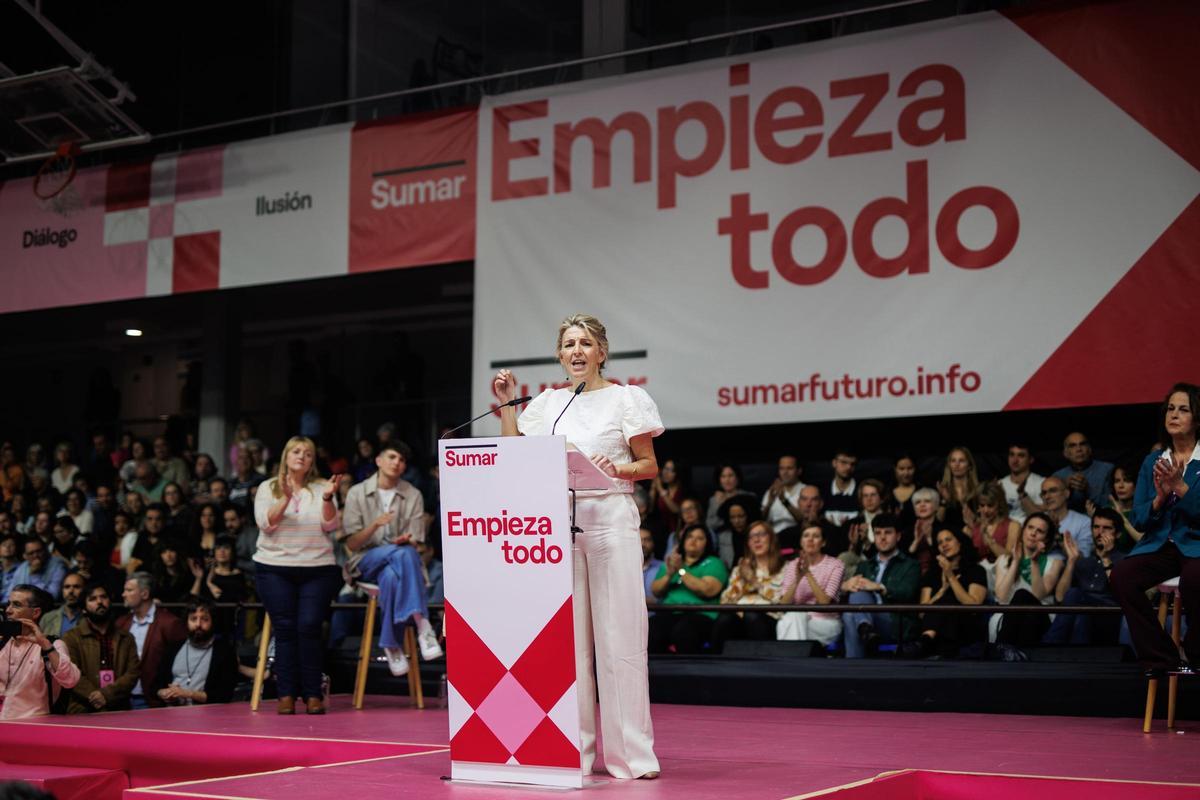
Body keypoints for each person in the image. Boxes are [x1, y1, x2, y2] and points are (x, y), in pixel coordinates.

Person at [493, 313, 662, 780]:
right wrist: (508, 405)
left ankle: (632, 758)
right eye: (569, 343)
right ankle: (575, 752)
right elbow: (517, 455)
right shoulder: (548, 403)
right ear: (559, 354)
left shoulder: (627, 398)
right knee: (569, 647)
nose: (576, 351)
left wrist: (617, 468)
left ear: (601, 352)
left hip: (611, 517)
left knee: (620, 640)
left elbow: (648, 465)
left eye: (586, 343)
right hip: (560, 522)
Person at [1112, 383, 1200, 676]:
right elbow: (1138, 519)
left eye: (1183, 409)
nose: (1174, 414)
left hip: (1196, 545)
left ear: (1197, 418)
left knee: (1194, 579)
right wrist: (1159, 501)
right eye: (1171, 408)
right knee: (1123, 576)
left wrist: (1182, 488)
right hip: (1162, 545)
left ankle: (1197, 651)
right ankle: (1162, 658)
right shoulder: (1154, 461)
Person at [253, 436, 343, 715]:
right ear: (286, 455)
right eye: (296, 451)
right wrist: (287, 497)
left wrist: (328, 498)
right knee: (285, 628)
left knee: (309, 626)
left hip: (317, 568)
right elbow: (266, 524)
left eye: (307, 452)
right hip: (274, 567)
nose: (302, 456)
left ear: (312, 460)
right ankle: (286, 694)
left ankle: (313, 694)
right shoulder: (268, 487)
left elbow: (330, 525)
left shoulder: (321, 487)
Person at [340, 441, 442, 678]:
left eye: (402, 460)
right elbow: (352, 544)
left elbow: (416, 542)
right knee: (403, 556)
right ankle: (422, 624)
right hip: (364, 561)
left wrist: (407, 540)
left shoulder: (412, 494)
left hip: (399, 564)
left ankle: (391, 644)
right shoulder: (357, 492)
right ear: (378, 460)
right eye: (393, 457)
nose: (398, 463)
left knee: (393, 574)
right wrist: (375, 524)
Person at [841, 514, 921, 658]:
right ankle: (866, 628)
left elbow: (907, 594)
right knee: (851, 607)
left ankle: (853, 669)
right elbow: (851, 596)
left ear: (898, 536)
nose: (882, 538)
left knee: (851, 615)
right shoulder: (865, 565)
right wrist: (845, 586)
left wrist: (880, 587)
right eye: (878, 533)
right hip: (868, 618)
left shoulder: (911, 565)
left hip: (895, 622)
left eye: (888, 533)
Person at [1044, 509, 1126, 645]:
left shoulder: (1125, 560)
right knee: (1078, 604)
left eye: (1106, 528)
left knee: (1078, 600)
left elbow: (1122, 594)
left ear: (1117, 534)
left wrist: (1106, 559)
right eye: (1096, 527)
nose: (1100, 532)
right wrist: (1071, 560)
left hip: (1109, 618)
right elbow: (1059, 597)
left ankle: (1048, 645)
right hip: (1082, 615)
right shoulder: (1084, 562)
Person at [0, 584, 80, 718]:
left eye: (16, 605)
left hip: (33, 727)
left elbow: (70, 680)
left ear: (35, 613)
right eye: (8, 604)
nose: (8, 610)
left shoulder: (52, 645)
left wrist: (44, 644)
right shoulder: (2, 642)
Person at [904, 529, 987, 658]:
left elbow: (974, 606)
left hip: (965, 628)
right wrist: (941, 590)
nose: (944, 544)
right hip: (938, 631)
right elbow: (921, 612)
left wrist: (950, 575)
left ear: (960, 543)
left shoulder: (976, 570)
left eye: (948, 539)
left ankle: (925, 641)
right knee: (944, 601)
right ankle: (930, 642)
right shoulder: (932, 574)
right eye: (940, 542)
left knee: (948, 602)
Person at [649, 524, 729, 653]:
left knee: (683, 631)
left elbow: (708, 590)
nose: (693, 541)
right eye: (690, 537)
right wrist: (669, 574)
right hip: (670, 612)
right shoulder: (671, 563)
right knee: (651, 628)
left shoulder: (714, 563)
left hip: (701, 614)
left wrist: (681, 570)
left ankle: (688, 672)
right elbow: (656, 591)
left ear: (707, 543)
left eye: (700, 538)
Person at [61, 583, 140, 713]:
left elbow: (133, 672)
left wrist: (106, 695)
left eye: (103, 597)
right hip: (83, 708)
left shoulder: (126, 637)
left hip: (119, 707)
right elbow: (70, 673)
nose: (99, 601)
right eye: (92, 599)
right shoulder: (71, 637)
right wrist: (95, 696)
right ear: (84, 609)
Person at [712, 521, 786, 650]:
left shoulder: (785, 568)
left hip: (769, 618)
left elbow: (780, 600)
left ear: (771, 539)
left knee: (751, 615)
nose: (757, 539)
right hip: (739, 620)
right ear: (748, 543)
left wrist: (753, 581)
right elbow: (724, 602)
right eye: (752, 536)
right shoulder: (740, 569)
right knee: (725, 619)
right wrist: (742, 581)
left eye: (762, 534)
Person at [117, 572, 187, 709]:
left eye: (129, 590)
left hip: (154, 701)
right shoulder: (122, 623)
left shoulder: (169, 623)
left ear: (144, 594)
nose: (123, 594)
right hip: (123, 700)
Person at [994, 513, 1063, 648]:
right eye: (1030, 528)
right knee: (1020, 598)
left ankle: (1003, 650)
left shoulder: (1054, 563)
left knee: (1022, 595)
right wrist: (1015, 562)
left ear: (1047, 539)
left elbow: (1038, 595)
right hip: (1008, 616)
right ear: (1023, 530)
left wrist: (1034, 563)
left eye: (1040, 531)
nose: (1033, 533)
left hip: (1039, 617)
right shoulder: (1003, 560)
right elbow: (1001, 596)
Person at [156, 599, 240, 705]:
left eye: (204, 619)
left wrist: (188, 694)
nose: (198, 624)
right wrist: (163, 693)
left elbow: (224, 695)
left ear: (213, 622)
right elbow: (157, 686)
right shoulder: (174, 648)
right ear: (186, 622)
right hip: (171, 713)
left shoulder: (224, 652)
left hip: (207, 716)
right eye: (193, 619)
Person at [776, 523, 845, 646]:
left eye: (816, 536)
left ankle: (788, 662)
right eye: (806, 536)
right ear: (801, 542)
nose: (810, 539)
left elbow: (824, 603)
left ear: (823, 543)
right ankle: (797, 662)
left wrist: (807, 574)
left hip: (825, 623)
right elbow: (783, 604)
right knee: (791, 619)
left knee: (787, 623)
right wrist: (797, 579)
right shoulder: (793, 565)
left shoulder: (836, 565)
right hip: (798, 620)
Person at [1053, 431, 1114, 513]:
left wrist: (1088, 490)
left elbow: (1112, 505)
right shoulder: (1057, 477)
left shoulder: (1108, 470)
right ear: (1065, 453)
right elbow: (1053, 509)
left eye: (1082, 444)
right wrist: (1064, 489)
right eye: (1072, 446)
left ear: (1089, 449)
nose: (1079, 449)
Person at [1038, 476, 1093, 559]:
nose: (1047, 497)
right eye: (1044, 493)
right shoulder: (1036, 521)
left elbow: (1083, 559)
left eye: (1053, 491)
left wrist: (1059, 538)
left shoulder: (1084, 522)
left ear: (1067, 493)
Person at [964, 481, 1019, 562]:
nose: (985, 510)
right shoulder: (970, 528)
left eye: (990, 505)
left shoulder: (1013, 526)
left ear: (999, 504)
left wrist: (988, 538)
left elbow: (1009, 559)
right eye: (982, 505)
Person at [705, 464, 755, 541]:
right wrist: (721, 505)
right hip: (725, 542)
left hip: (748, 538)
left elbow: (753, 521)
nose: (727, 480)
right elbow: (710, 525)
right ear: (719, 480)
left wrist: (726, 504)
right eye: (723, 476)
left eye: (731, 475)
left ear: (737, 477)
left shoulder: (749, 496)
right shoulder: (714, 500)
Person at [999, 442, 1044, 524]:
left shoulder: (1041, 483)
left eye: (1021, 456)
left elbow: (1041, 518)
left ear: (1031, 459)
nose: (1015, 460)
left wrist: (1023, 495)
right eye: (1012, 455)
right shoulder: (1000, 484)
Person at [761, 455, 805, 534]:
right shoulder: (770, 491)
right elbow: (761, 520)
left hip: (798, 534)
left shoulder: (806, 490)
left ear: (799, 471)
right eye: (782, 468)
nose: (785, 472)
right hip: (773, 535)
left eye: (789, 468)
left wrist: (784, 500)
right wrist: (769, 503)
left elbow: (804, 520)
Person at [40, 571, 86, 637]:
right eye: (67, 587)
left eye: (76, 587)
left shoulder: (90, 619)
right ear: (62, 590)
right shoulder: (47, 618)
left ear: (84, 589)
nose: (71, 591)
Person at [823, 451, 859, 527]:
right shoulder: (822, 490)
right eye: (844, 462)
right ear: (834, 463)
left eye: (852, 464)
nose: (848, 467)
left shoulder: (862, 491)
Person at [641, 528, 663, 603]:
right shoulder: (622, 570)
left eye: (647, 540)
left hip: (656, 614)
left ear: (653, 543)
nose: (642, 544)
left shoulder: (663, 567)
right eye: (638, 540)